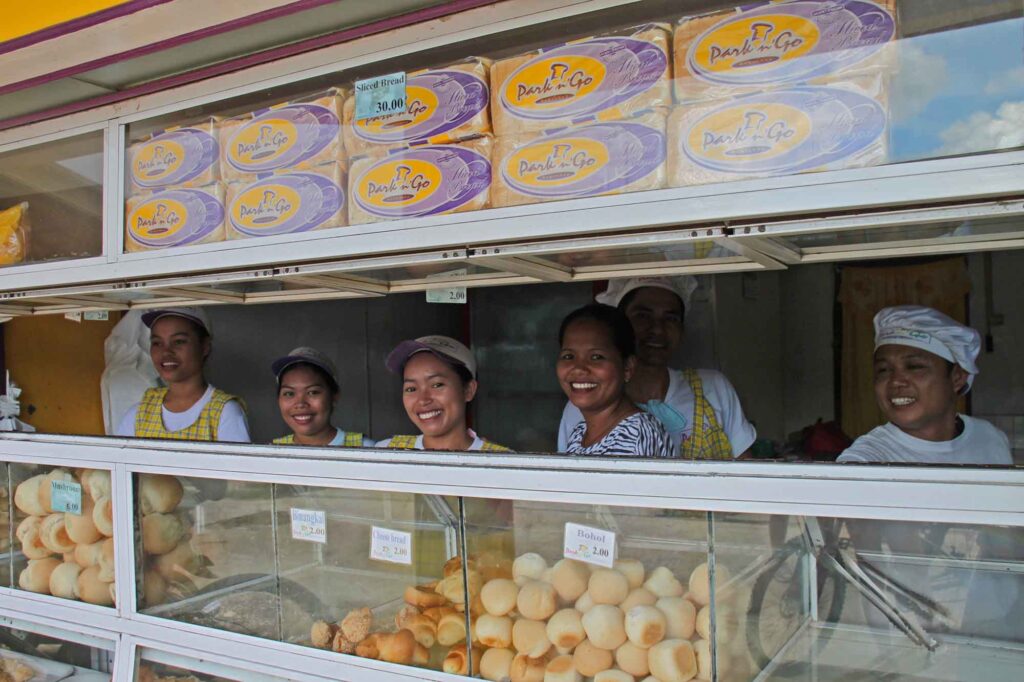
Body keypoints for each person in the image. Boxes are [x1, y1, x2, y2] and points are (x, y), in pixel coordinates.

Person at [558, 277, 755, 459]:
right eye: (642, 316)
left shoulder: (713, 388)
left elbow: (749, 473)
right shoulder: (583, 404)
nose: (658, 329)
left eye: (671, 318)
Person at [838, 305, 1011, 464]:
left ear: (957, 377)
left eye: (914, 367)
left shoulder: (989, 438)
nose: (895, 380)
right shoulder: (865, 461)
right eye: (883, 370)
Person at [114, 307, 249, 442]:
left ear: (205, 346)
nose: (166, 352)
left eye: (179, 341)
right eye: (157, 343)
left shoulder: (225, 413)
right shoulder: (139, 413)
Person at [557, 303, 674, 457]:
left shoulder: (635, 434)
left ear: (627, 368)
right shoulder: (580, 433)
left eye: (596, 357)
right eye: (568, 356)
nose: (579, 368)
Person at [377, 335, 510, 452]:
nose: (423, 400)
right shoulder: (384, 453)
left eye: (437, 385)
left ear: (468, 390)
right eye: (411, 389)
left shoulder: (504, 464)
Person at [271, 346, 373, 447]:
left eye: (313, 392)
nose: (300, 404)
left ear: (334, 396)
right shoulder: (270, 452)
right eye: (289, 393)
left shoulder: (367, 449)